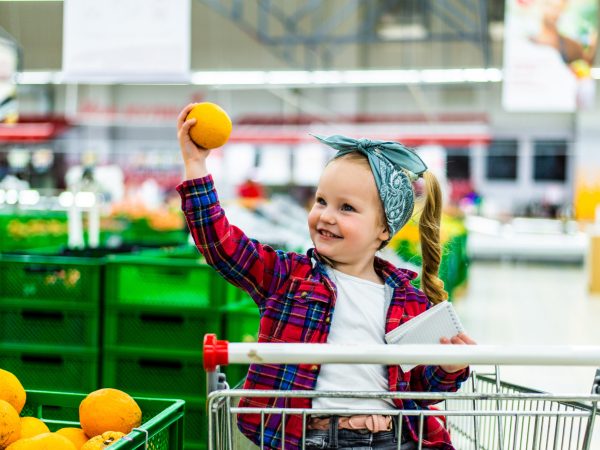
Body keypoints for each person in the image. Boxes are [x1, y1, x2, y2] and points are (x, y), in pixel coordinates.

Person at [176, 103, 476, 450]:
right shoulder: (288, 278)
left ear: (383, 229)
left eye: (346, 207)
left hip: (391, 440)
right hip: (312, 438)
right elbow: (221, 244)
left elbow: (420, 389)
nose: (326, 216)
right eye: (321, 201)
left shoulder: (411, 301)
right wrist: (195, 164)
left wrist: (451, 368)